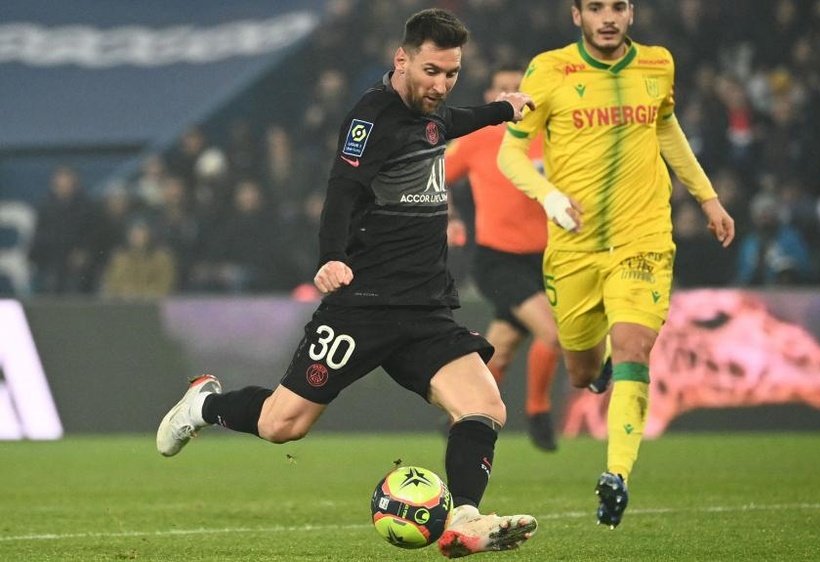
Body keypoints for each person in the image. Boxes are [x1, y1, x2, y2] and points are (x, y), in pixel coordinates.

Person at [157, 9, 537, 558]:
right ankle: (205, 405)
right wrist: (331, 256)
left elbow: (450, 123)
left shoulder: (431, 113)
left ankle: (465, 521)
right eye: (432, 71)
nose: (442, 85)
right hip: (364, 306)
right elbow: (341, 190)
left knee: (485, 407)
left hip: (426, 308)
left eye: (452, 73)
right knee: (282, 424)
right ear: (400, 59)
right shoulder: (371, 118)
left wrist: (503, 109)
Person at [498, 0, 735, 529]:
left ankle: (617, 475)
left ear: (632, 13)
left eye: (619, 7)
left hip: (642, 236)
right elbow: (510, 152)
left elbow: (666, 128)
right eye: (597, 7)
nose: (609, 17)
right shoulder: (550, 69)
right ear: (575, 15)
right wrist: (548, 196)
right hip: (574, 245)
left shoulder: (658, 64)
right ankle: (597, 364)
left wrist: (707, 198)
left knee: (634, 346)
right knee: (581, 373)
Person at [444, 65, 561, 452]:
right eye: (502, 89)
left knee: (503, 346)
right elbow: (433, 174)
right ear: (490, 97)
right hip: (498, 259)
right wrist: (451, 215)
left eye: (517, 88)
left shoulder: (550, 137)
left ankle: (460, 415)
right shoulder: (479, 139)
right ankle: (538, 412)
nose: (510, 95)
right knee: (553, 333)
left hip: (545, 259)